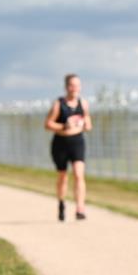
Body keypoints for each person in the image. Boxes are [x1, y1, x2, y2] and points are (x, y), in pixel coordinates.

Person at [44, 73, 92, 221]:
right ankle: (61, 203)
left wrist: (84, 124)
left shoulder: (83, 104)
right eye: (72, 85)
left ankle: (80, 208)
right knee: (63, 176)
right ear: (66, 87)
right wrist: (64, 126)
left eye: (77, 85)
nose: (74, 88)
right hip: (61, 143)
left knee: (79, 174)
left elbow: (89, 124)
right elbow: (48, 124)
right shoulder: (59, 104)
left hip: (77, 142)